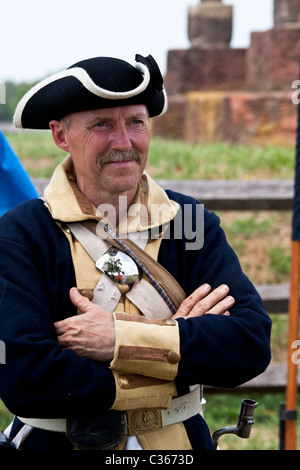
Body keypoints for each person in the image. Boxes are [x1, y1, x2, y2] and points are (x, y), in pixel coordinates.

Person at [0, 54, 271, 451]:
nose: (124, 143)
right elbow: (26, 377)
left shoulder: (191, 222)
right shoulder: (21, 233)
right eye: (102, 125)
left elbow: (247, 344)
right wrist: (179, 350)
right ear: (61, 136)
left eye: (136, 123)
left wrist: (117, 340)